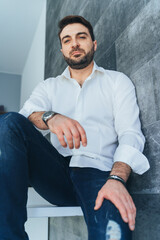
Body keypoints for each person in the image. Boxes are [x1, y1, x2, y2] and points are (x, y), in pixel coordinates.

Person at [0, 15, 150, 240]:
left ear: (94, 44)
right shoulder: (48, 87)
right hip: (57, 173)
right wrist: (51, 117)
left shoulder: (117, 81)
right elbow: (22, 120)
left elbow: (130, 133)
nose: (75, 44)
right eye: (67, 40)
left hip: (99, 174)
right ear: (62, 50)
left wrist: (117, 179)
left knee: (114, 234)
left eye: (81, 37)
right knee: (9, 121)